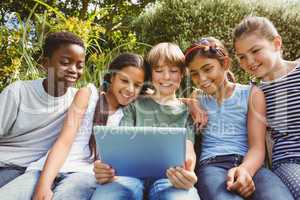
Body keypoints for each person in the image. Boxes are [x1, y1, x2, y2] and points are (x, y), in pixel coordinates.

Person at [0, 53, 147, 200]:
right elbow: (64, 142)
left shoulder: (128, 115)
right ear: (112, 77)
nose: (130, 89)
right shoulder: (88, 95)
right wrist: (43, 185)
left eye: (137, 85)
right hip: (46, 169)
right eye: (124, 80)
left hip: (84, 175)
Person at [185, 36, 294, 200]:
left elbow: (257, 147)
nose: (202, 79)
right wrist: (190, 103)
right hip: (212, 166)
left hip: (251, 164)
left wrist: (244, 170)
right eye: (194, 74)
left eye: (208, 69)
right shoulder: (198, 97)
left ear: (225, 64)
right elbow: (167, 101)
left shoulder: (252, 94)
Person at [91, 42, 200, 200]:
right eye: (159, 70)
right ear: (151, 75)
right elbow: (120, 142)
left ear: (182, 74)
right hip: (128, 177)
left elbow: (189, 151)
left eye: (173, 71)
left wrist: (188, 173)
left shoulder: (187, 112)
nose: (166, 76)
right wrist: (105, 168)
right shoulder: (135, 104)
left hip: (169, 179)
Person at [0, 31, 85, 188]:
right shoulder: (19, 92)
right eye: (65, 62)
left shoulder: (78, 100)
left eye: (80, 66)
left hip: (38, 171)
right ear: (45, 63)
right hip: (6, 164)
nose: (74, 70)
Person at [233, 15, 300, 199]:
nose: (249, 61)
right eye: (242, 57)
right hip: (289, 161)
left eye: (255, 51)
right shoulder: (255, 93)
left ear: (276, 43)